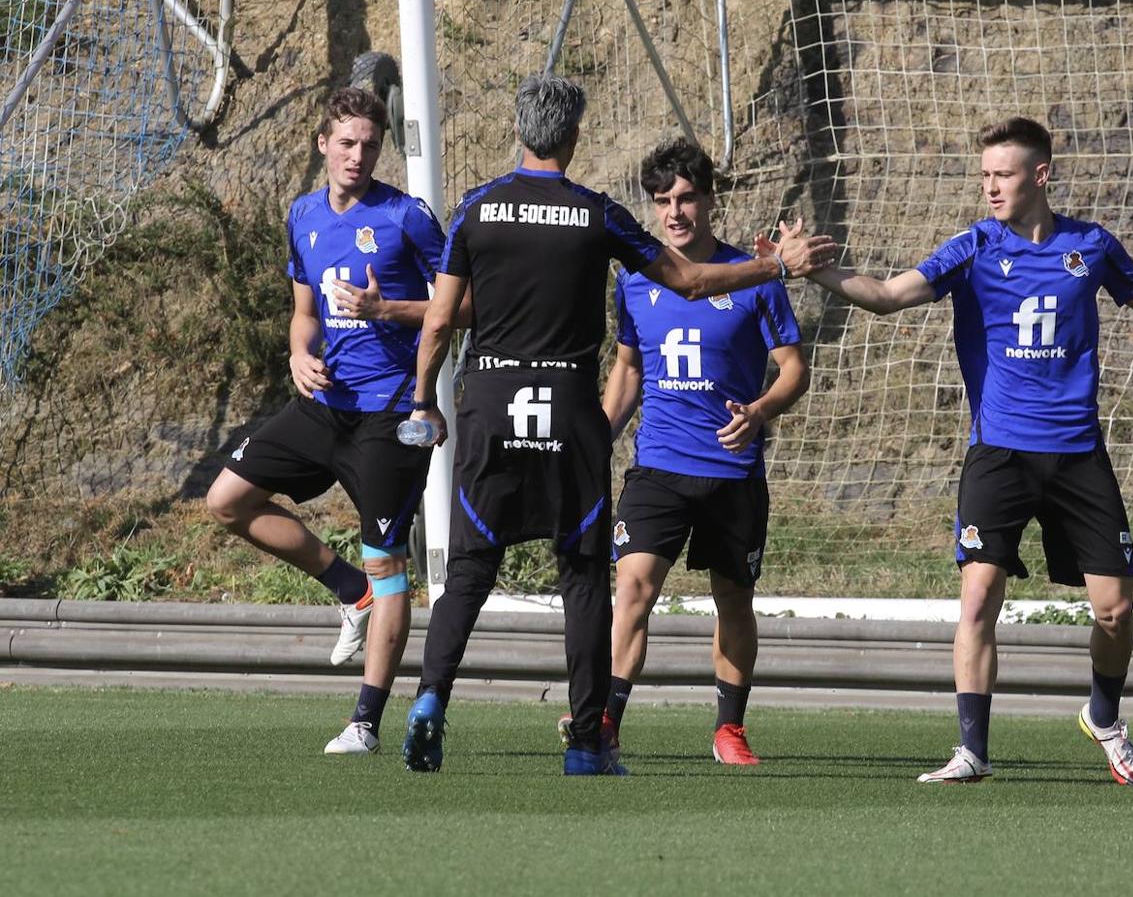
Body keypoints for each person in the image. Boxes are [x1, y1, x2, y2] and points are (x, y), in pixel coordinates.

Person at [400, 73, 836, 776]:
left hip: (489, 397)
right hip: (572, 407)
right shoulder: (596, 216)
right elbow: (684, 287)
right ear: (573, 136)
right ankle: (585, 744)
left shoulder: (476, 208)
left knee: (472, 568)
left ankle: (429, 699)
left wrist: (423, 403)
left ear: (518, 131)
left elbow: (442, 322)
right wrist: (774, 265)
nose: (674, 209)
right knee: (583, 575)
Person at [797, 117, 1133, 785]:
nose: (990, 186)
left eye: (1002, 174)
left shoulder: (1089, 246)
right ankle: (971, 749)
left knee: (1114, 611)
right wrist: (820, 274)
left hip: (1076, 454)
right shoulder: (973, 247)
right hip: (998, 452)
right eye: (984, 175)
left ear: (1039, 175)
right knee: (977, 597)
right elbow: (888, 296)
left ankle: (1103, 717)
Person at [206, 87, 448, 756]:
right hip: (324, 406)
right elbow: (304, 311)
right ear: (322, 145)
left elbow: (461, 309)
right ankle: (348, 593)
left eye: (369, 144)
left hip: (391, 412)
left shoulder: (408, 217)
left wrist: (388, 310)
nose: (357, 154)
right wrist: (296, 354)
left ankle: (365, 722)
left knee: (387, 563)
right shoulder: (303, 214)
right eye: (346, 142)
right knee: (226, 501)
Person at [556, 137, 809, 765]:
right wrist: (596, 439)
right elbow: (628, 372)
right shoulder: (636, 282)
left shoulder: (753, 278)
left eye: (687, 197)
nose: (675, 211)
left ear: (709, 200)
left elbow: (792, 369)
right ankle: (606, 721)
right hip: (659, 467)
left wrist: (759, 411)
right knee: (634, 586)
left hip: (732, 471)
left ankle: (730, 728)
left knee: (733, 598)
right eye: (663, 200)